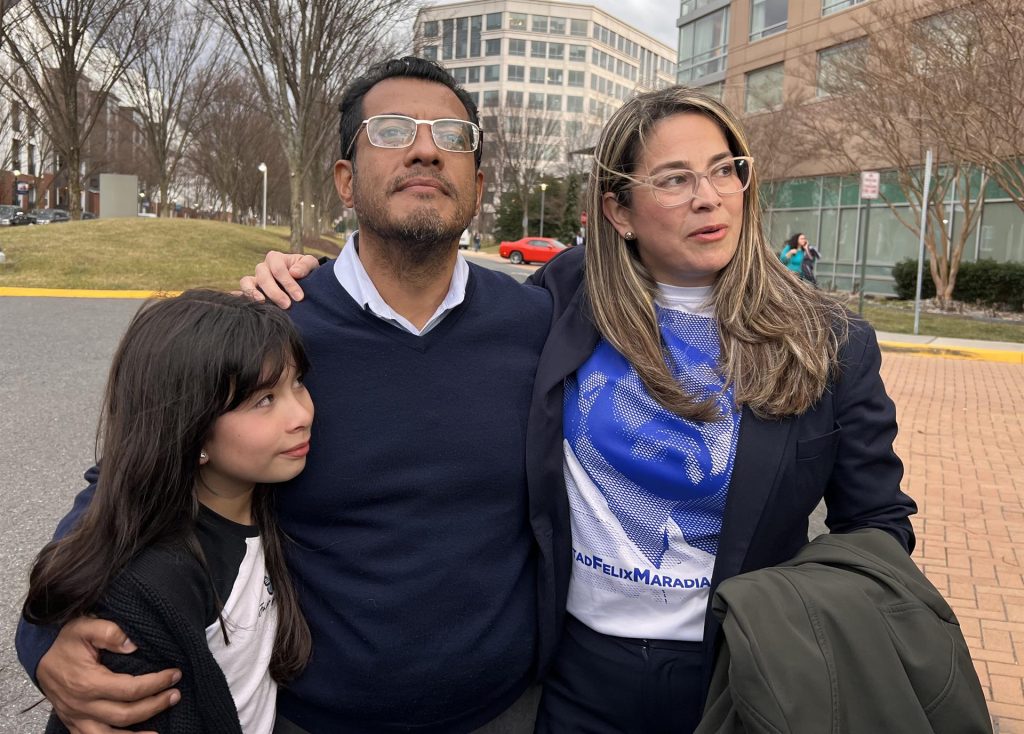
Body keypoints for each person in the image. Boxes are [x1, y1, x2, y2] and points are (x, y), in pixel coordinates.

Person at [243, 86, 917, 733]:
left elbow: (877, 524)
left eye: (725, 171)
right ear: (619, 212)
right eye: (675, 179)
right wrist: (297, 277)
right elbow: (414, 282)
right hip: (575, 673)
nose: (709, 197)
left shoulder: (827, 341)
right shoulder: (565, 299)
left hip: (741, 671)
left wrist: (807, 630)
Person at [16, 58, 560, 733]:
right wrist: (45, 639)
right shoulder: (277, 332)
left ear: (477, 185)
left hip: (502, 711)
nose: (426, 149)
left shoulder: (537, 327)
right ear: (344, 179)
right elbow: (132, 475)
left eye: (452, 137)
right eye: (392, 132)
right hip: (311, 717)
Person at [21, 290, 314, 733]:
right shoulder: (152, 588)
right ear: (190, 429)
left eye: (298, 382)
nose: (302, 414)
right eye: (265, 400)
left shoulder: (259, 495)